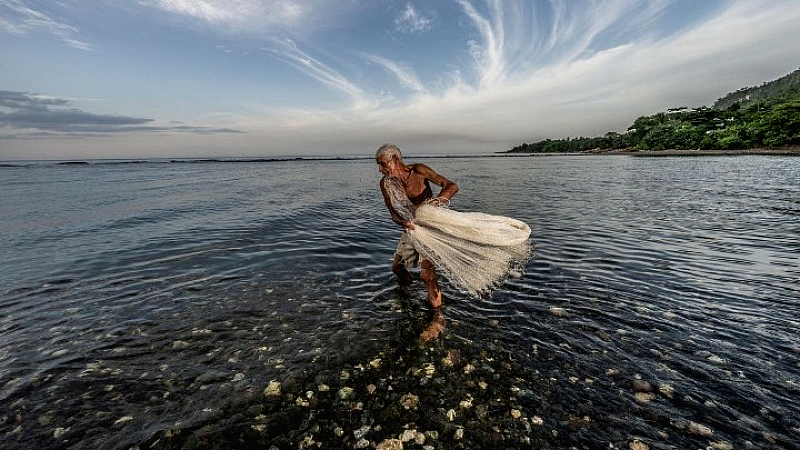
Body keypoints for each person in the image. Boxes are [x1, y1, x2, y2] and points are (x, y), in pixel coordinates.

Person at [376, 143, 459, 314]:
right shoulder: (385, 184)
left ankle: (437, 319)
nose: (379, 169)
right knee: (396, 268)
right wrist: (403, 223)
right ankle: (406, 293)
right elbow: (393, 213)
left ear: (396, 159)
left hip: (429, 226)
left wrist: (435, 204)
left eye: (382, 163)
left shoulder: (419, 170)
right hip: (410, 228)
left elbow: (451, 186)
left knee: (427, 275)